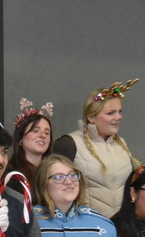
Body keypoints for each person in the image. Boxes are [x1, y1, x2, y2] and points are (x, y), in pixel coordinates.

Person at [54, 80, 139, 218]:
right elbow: (54, 188)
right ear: (91, 117)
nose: (118, 117)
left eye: (119, 112)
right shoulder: (69, 144)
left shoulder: (121, 144)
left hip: (121, 227)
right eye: (111, 113)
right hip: (86, 227)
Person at [8, 100, 54, 192]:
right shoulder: (12, 174)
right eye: (35, 131)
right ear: (20, 138)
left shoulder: (54, 170)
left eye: (47, 133)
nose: (42, 135)